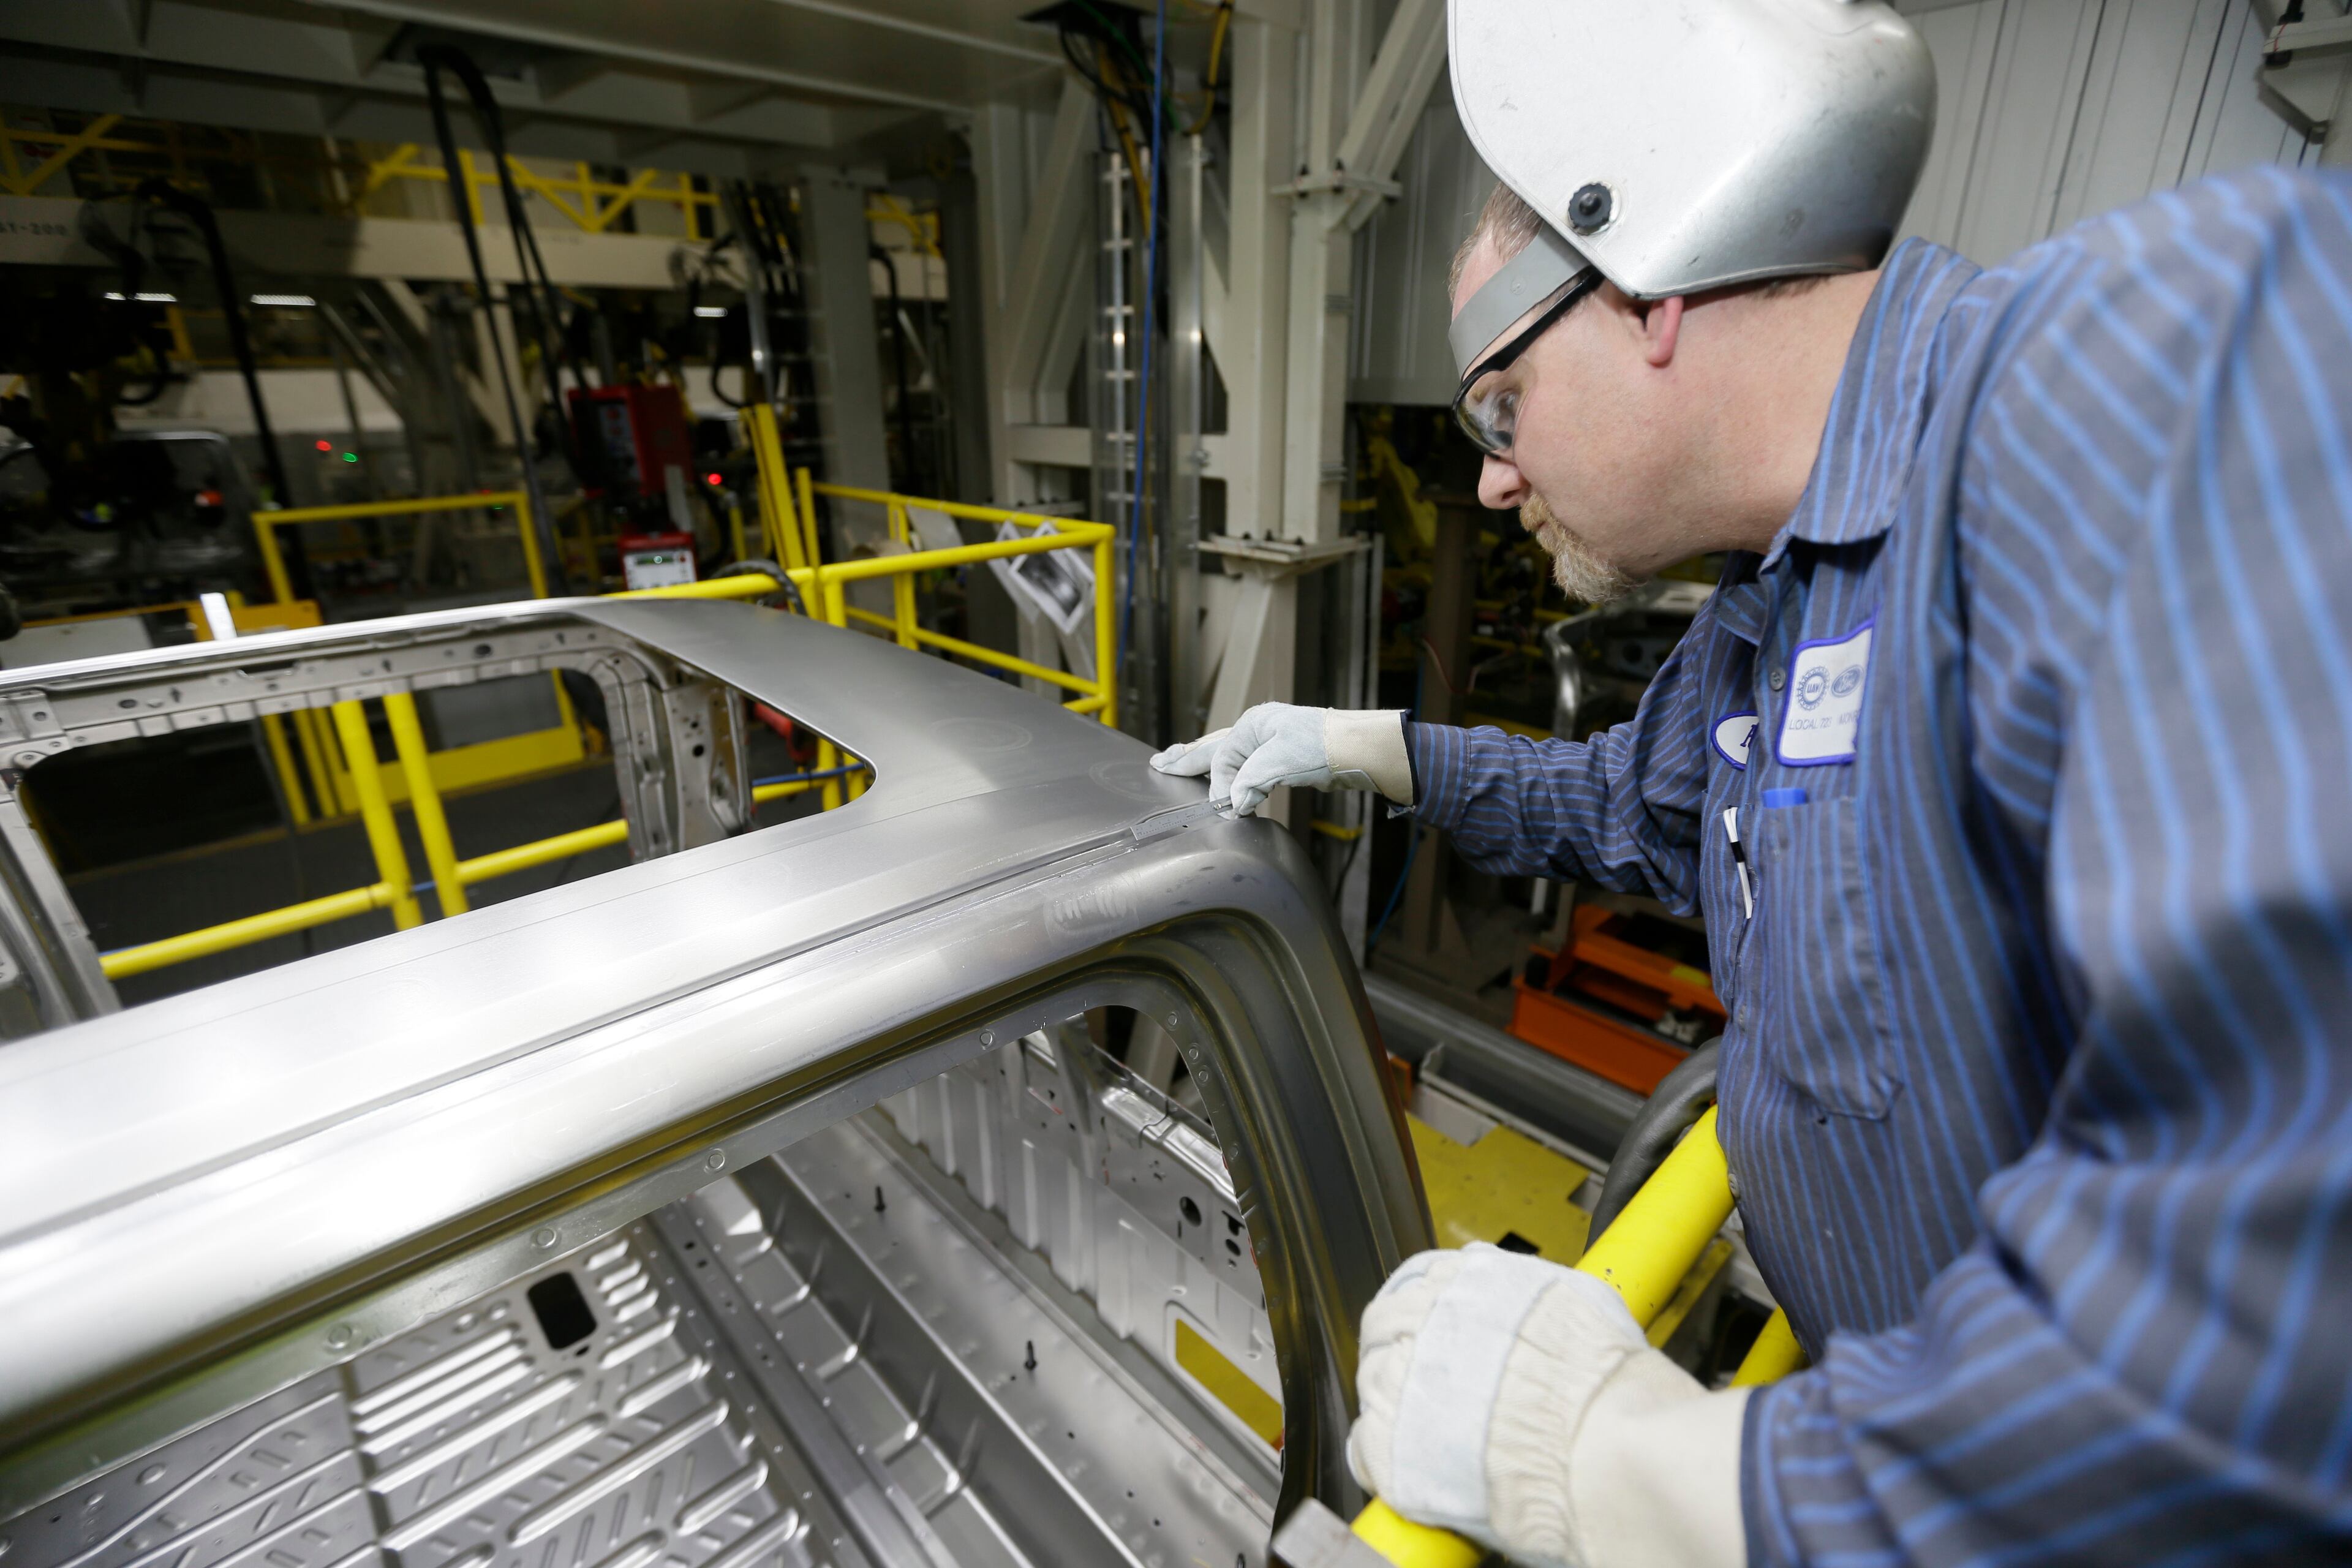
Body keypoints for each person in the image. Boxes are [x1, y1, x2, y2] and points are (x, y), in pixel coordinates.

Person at [1150, 1, 2352, 1563]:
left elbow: (2266, 1339)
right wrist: (1366, 747)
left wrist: (1615, 1456)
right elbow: (1612, 810)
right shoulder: (1758, 624)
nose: (1495, 473)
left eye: (1502, 404)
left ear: (1642, 284)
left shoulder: (2139, 378)